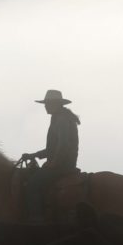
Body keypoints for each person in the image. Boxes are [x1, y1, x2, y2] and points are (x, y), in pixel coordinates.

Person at [20, 89, 81, 222]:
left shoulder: (62, 120)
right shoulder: (60, 117)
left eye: (48, 104)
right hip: (64, 163)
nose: (45, 106)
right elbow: (52, 149)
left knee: (32, 184)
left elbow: (63, 145)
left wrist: (54, 163)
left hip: (63, 165)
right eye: (45, 104)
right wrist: (33, 155)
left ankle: (37, 221)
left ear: (56, 104)